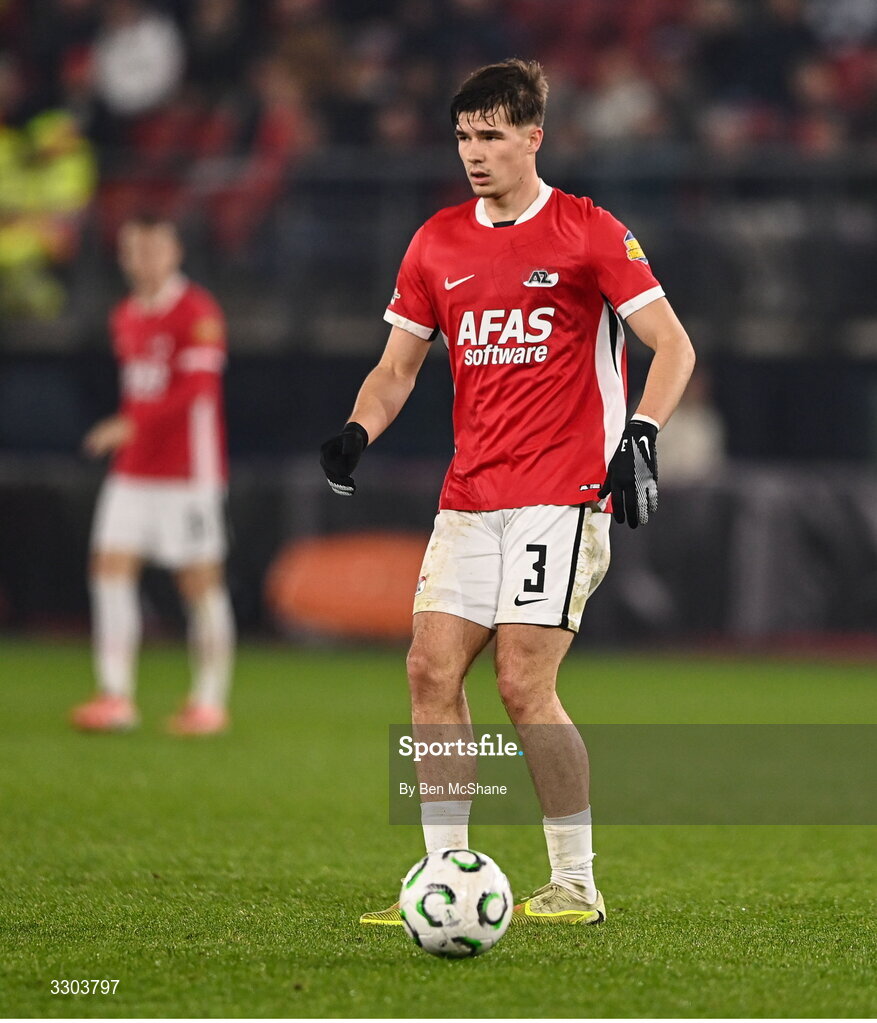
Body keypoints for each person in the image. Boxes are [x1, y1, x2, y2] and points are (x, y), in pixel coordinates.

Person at [320, 59, 695, 925]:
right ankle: (443, 875)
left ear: (533, 136)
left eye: (491, 135)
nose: (474, 153)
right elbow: (395, 367)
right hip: (470, 496)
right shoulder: (435, 242)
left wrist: (641, 433)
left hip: (562, 491)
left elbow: (671, 347)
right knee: (428, 670)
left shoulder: (589, 230)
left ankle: (574, 881)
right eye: (462, 136)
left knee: (523, 682)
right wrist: (357, 430)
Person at [71, 214, 234, 736]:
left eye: (153, 249)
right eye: (134, 250)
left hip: (189, 472)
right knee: (109, 567)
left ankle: (209, 703)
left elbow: (198, 392)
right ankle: (116, 695)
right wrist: (132, 430)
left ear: (174, 252)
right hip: (134, 470)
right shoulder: (125, 315)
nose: (143, 259)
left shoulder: (197, 312)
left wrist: (129, 424)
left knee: (198, 582)